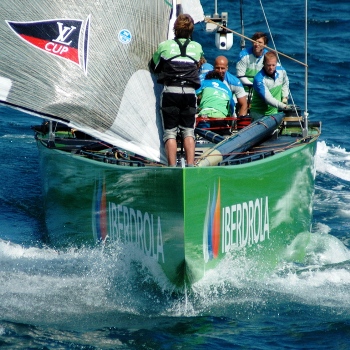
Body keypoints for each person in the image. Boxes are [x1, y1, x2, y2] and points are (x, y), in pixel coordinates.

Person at [149, 14, 204, 167]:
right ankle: (191, 166)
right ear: (191, 31)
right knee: (188, 132)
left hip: (171, 92)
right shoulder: (197, 47)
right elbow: (199, 63)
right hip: (189, 93)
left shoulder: (164, 46)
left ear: (175, 29)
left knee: (170, 133)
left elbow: (154, 66)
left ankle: (172, 168)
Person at [249, 51, 289, 121]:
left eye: (273, 65)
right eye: (268, 65)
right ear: (264, 64)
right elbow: (268, 99)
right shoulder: (259, 79)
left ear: (276, 64)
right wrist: (283, 106)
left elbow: (285, 83)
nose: (271, 68)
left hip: (274, 112)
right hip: (259, 114)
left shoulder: (281, 71)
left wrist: (285, 97)